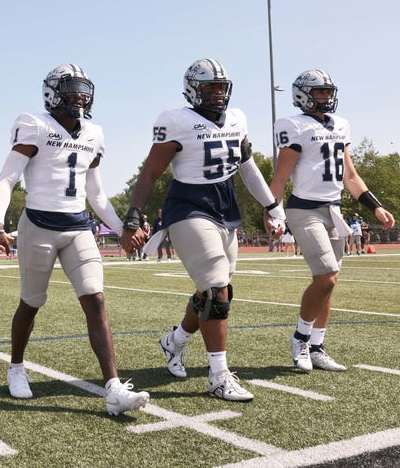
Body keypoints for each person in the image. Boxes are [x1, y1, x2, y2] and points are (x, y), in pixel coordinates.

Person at [0, 64, 149, 416]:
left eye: (83, 91)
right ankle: (15, 367)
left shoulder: (94, 133)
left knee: (96, 300)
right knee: (31, 303)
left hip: (78, 227)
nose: (79, 97)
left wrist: (120, 227)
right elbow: (7, 179)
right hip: (38, 225)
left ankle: (114, 387)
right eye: (71, 90)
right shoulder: (35, 124)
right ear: (52, 93)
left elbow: (97, 194)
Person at [120, 58, 285, 402]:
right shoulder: (176, 120)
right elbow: (150, 173)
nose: (216, 93)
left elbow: (248, 167)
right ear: (193, 89)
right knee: (215, 290)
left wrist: (271, 206)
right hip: (188, 204)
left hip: (224, 206)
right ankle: (218, 376)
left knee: (218, 291)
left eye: (220, 87)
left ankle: (175, 341)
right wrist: (134, 216)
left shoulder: (237, 118)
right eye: (209, 87)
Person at [268, 69, 395, 373]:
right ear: (303, 95)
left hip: (333, 209)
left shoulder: (341, 125)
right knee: (327, 275)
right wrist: (272, 212)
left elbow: (349, 176)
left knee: (327, 285)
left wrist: (374, 207)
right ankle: (300, 339)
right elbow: (281, 177)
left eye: (327, 92)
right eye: (319, 92)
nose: (325, 97)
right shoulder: (294, 126)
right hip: (305, 210)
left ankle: (317, 347)